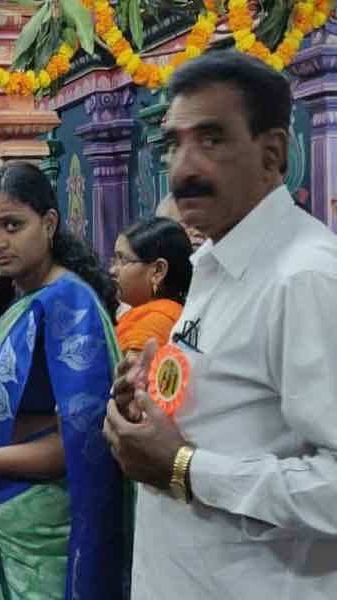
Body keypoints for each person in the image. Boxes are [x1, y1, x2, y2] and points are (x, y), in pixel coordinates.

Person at [104, 50, 337, 598]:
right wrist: (148, 395)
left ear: (272, 153)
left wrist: (184, 467)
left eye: (211, 139)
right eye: (174, 143)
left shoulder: (304, 278)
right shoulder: (215, 262)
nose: (183, 167)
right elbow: (232, 408)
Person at [0, 162, 127, 599]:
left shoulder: (67, 302)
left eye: (12, 225)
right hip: (8, 514)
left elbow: (80, 442)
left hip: (46, 530)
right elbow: (17, 412)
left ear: (49, 222)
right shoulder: (21, 297)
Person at [110, 216, 192, 358]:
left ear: (158, 271)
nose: (112, 270)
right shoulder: (158, 315)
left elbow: (130, 378)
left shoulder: (153, 326)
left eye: (122, 260)